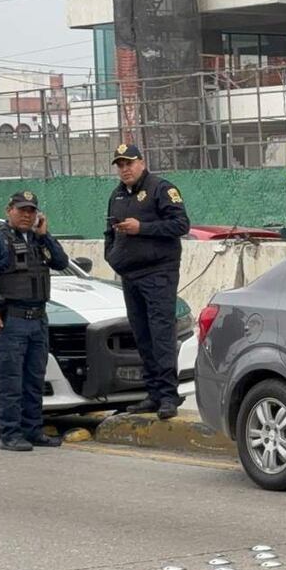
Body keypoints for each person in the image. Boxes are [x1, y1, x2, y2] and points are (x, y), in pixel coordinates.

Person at [0, 192, 70, 451]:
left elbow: (61, 262)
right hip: (11, 320)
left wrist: (45, 235)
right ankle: (11, 434)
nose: (27, 215)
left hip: (38, 320)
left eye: (31, 211)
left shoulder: (39, 240)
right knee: (10, 380)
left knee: (34, 379)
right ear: (9, 210)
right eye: (22, 210)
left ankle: (33, 430)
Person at [105, 144, 190, 420]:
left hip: (158, 273)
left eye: (129, 163)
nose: (125, 169)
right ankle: (152, 393)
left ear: (141, 162)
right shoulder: (117, 195)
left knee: (161, 334)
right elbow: (109, 232)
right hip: (131, 275)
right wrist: (112, 257)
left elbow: (181, 225)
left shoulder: (161, 189)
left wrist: (142, 228)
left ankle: (168, 396)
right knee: (141, 335)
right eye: (120, 165)